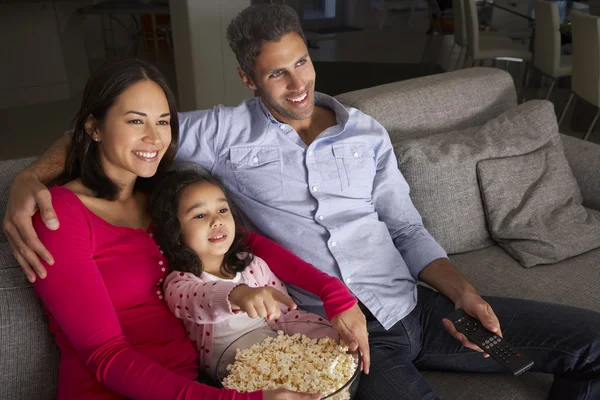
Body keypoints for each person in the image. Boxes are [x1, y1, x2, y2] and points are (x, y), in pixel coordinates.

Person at [4, 4, 600, 400]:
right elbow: (127, 133)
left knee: (592, 345)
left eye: (301, 63)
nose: (296, 86)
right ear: (246, 80)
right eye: (274, 75)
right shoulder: (220, 133)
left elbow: (406, 226)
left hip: (412, 303)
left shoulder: (366, 132)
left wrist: (461, 290)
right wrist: (31, 176)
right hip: (336, 334)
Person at [23, 57, 365, 400]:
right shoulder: (58, 216)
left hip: (201, 382)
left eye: (163, 122)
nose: (153, 138)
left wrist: (331, 291)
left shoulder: (160, 198)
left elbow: (246, 243)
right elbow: (105, 357)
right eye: (134, 121)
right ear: (94, 127)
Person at [149, 170, 355, 381]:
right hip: (237, 378)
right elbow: (196, 300)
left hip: (283, 361)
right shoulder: (180, 282)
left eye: (222, 209)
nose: (217, 220)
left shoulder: (253, 265)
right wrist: (235, 294)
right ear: (175, 232)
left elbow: (285, 316)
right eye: (200, 215)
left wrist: (328, 335)